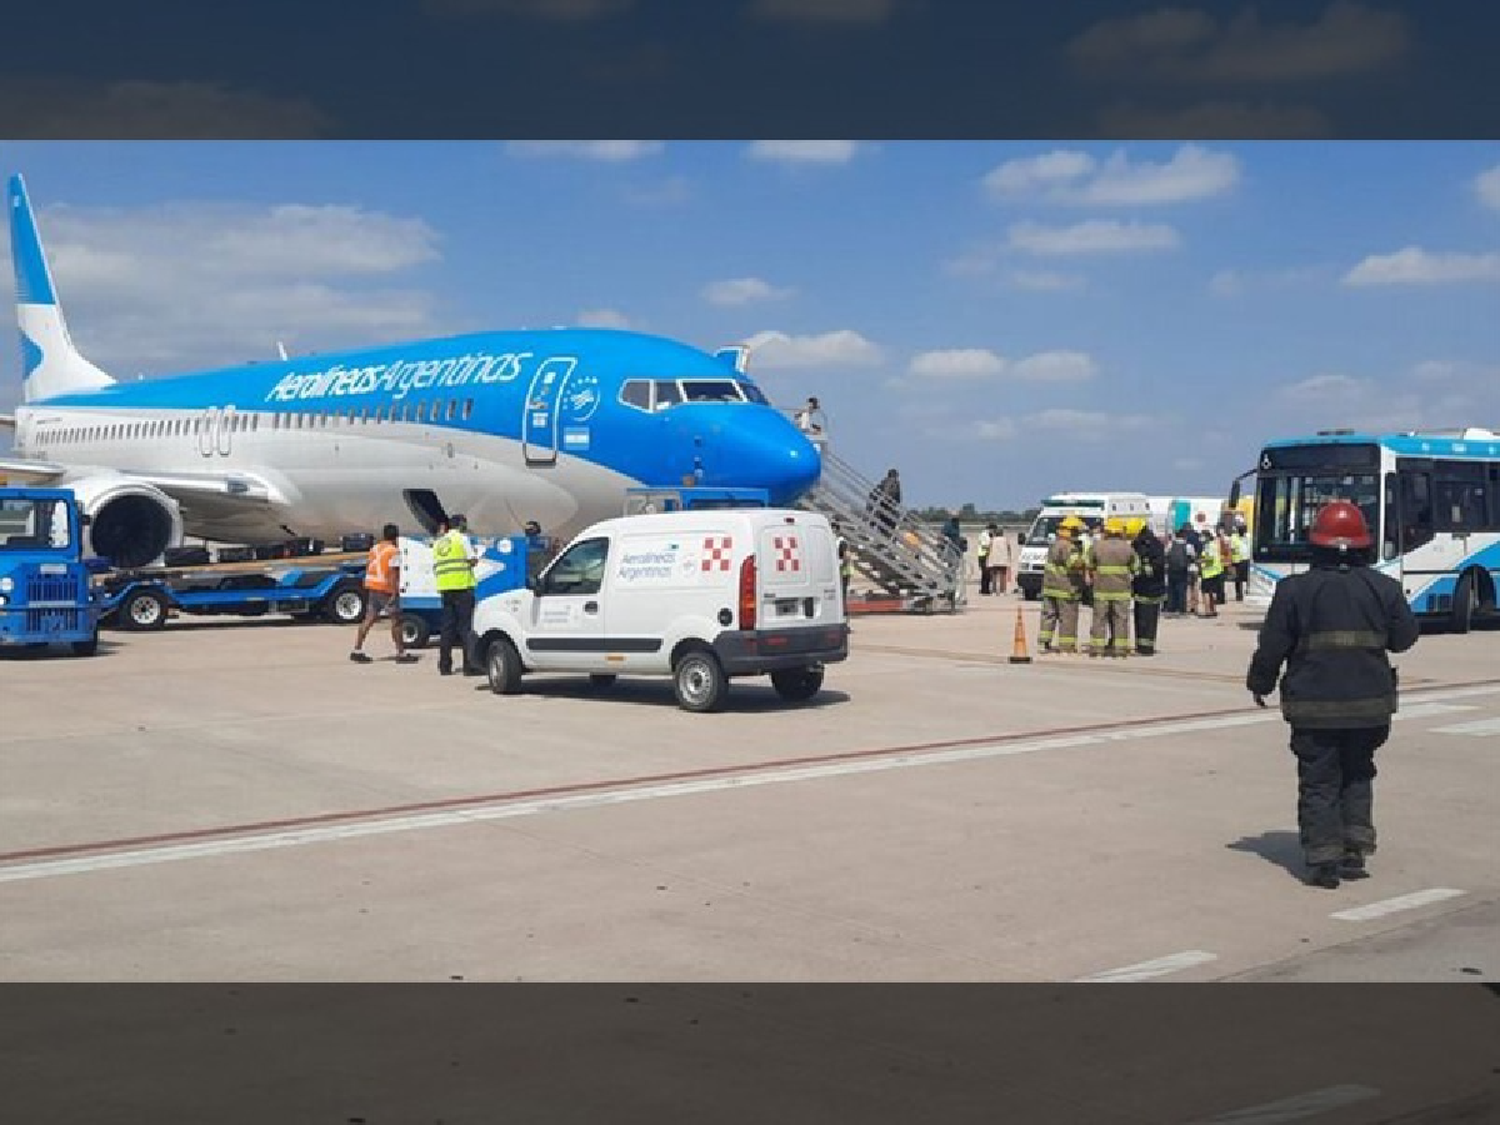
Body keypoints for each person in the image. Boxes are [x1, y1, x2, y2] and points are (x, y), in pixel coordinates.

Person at [1246, 500, 1419, 889]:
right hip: (1370, 706)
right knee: (1358, 773)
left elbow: (1273, 644)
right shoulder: (1384, 588)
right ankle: (1354, 851)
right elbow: (1405, 639)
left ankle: (1324, 860)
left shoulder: (1293, 590)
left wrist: (1260, 682)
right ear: (1363, 544)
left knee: (1319, 780)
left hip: (1313, 706)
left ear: (1316, 545)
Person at [350, 523, 417, 664]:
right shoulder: (394, 551)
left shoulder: (375, 548)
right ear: (396, 536)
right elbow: (393, 572)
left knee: (369, 619)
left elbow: (369, 565)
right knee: (396, 621)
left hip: (372, 585)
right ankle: (401, 653)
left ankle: (357, 649)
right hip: (385, 588)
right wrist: (394, 591)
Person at [432, 512, 480, 676]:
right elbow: (472, 560)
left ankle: (444, 666)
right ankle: (469, 665)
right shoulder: (462, 539)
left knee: (447, 628)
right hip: (462, 587)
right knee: (465, 628)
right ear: (460, 525)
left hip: (445, 588)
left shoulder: (438, 543)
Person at [1086, 517, 1138, 658]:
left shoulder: (1097, 546)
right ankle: (1120, 651)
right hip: (1122, 591)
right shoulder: (1128, 548)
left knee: (1099, 619)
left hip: (1101, 590)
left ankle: (1097, 650)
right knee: (1121, 620)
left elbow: (1090, 566)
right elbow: (1135, 568)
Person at [1039, 516, 1086, 654]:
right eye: (1077, 532)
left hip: (1050, 587)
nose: (1078, 535)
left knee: (1048, 615)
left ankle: (1044, 642)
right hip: (1065, 588)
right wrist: (1085, 561)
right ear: (1071, 531)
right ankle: (1067, 645)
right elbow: (1074, 564)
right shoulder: (1068, 547)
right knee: (1068, 617)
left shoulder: (1054, 544)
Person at [1130, 520, 1165, 655]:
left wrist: (1140, 571)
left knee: (1144, 619)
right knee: (1146, 620)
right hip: (1148, 588)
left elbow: (1157, 565)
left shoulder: (1148, 545)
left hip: (1148, 588)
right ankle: (1144, 646)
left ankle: (1145, 647)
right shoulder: (1153, 544)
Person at [1164, 527, 1196, 617]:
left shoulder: (1171, 544)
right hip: (1183, 570)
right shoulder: (1188, 546)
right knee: (1182, 589)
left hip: (1172, 570)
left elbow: (1166, 554)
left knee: (1171, 589)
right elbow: (1192, 556)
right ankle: (1181, 608)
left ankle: (1171, 607)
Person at [1197, 526, 1224, 617]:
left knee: (1206, 592)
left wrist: (1201, 560)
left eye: (1202, 536)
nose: (1201, 538)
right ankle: (1213, 609)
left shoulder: (1209, 546)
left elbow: (1210, 558)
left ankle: (1208, 610)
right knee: (1213, 592)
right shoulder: (1213, 545)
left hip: (1209, 572)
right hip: (1216, 571)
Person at [867, 469, 901, 538]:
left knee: (877, 524)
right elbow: (897, 499)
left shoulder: (883, 482)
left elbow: (873, 494)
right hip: (884, 508)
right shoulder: (895, 484)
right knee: (888, 526)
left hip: (879, 507)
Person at [1229, 524, 1251, 601]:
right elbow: (1232, 549)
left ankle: (1246, 590)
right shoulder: (1234, 537)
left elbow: (1249, 548)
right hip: (1237, 561)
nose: (1243, 532)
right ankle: (1239, 594)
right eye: (1241, 530)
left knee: (1246, 577)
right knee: (1238, 579)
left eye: (1244, 531)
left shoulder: (1248, 537)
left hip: (1246, 559)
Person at [991, 528, 1016, 596]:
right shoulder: (1006, 540)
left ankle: (994, 591)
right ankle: (1002, 591)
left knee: (994, 576)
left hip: (995, 559)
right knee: (1003, 576)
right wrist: (1009, 557)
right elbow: (1009, 549)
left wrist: (989, 559)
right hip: (1003, 559)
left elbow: (989, 549)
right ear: (1002, 533)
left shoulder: (993, 540)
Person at [976, 522, 994, 595]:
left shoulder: (988, 535)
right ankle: (984, 589)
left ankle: (985, 588)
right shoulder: (984, 535)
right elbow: (984, 545)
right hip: (983, 555)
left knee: (987, 574)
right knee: (985, 573)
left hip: (986, 555)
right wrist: (991, 545)